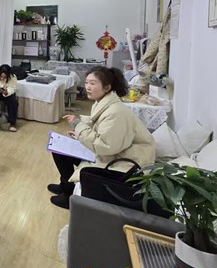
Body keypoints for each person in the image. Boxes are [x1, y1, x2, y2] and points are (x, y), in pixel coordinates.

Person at [48, 66, 156, 209]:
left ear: (107, 88)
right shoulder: (103, 103)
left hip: (126, 162)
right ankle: (65, 185)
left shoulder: (116, 112)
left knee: (65, 154)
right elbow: (100, 128)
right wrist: (79, 132)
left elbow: (105, 146)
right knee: (59, 151)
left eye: (92, 83)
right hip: (115, 152)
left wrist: (79, 127)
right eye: (86, 82)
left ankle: (69, 195)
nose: (87, 87)